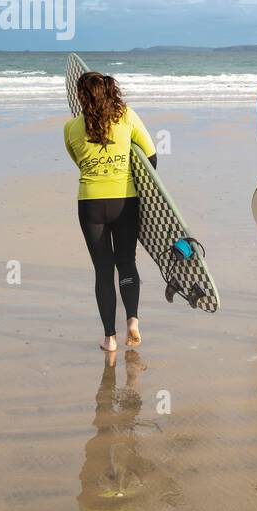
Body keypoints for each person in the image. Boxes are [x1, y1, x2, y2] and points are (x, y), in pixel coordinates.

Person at [64, 72, 156, 354]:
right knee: (126, 263)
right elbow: (150, 155)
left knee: (103, 270)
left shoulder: (71, 127)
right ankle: (133, 320)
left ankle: (109, 338)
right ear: (110, 92)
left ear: (81, 96)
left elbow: (78, 162)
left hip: (91, 203)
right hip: (125, 201)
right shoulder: (126, 116)